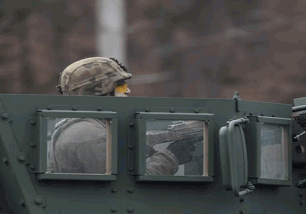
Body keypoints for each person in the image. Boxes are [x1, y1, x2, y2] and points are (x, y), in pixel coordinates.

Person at [47, 57, 195, 175]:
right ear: (99, 91)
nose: (127, 91)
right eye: (121, 86)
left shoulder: (80, 125)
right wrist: (171, 157)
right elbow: (129, 188)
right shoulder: (88, 133)